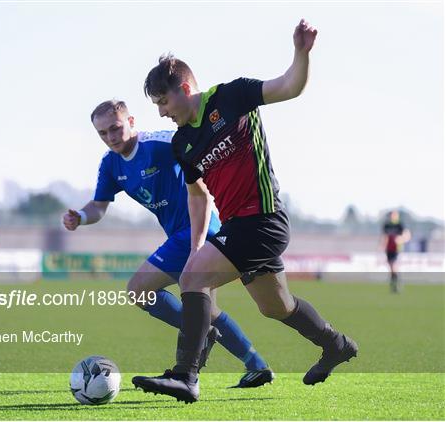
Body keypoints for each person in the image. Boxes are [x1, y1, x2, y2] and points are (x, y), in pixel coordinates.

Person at [132, 19, 358, 403]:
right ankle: (336, 345)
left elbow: (289, 86)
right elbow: (198, 195)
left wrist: (301, 54)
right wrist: (197, 244)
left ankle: (186, 376)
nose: (162, 113)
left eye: (164, 102)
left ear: (185, 89)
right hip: (239, 227)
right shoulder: (183, 142)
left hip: (264, 221)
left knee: (193, 280)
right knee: (276, 306)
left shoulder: (231, 97)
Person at [62, 100, 274, 388]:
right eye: (103, 133)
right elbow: (99, 205)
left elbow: (200, 151)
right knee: (208, 309)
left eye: (115, 128)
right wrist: (81, 216)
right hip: (181, 234)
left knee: (139, 290)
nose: (111, 137)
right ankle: (257, 365)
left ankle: (199, 332)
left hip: (196, 231)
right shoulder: (110, 164)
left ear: (131, 121)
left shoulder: (162, 143)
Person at [382, 210, 410, 293]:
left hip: (396, 249)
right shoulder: (387, 225)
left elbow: (407, 235)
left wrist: (401, 239)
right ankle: (394, 285)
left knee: (394, 267)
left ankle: (396, 285)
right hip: (388, 249)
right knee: (391, 268)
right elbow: (385, 237)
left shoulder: (400, 225)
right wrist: (383, 246)